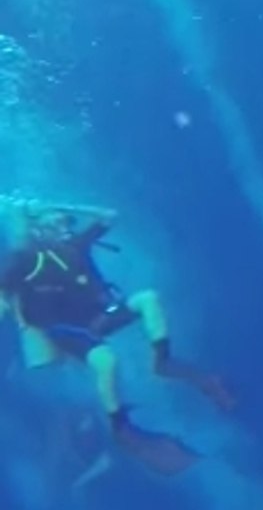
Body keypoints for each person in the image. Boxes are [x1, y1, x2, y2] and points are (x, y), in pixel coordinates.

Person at [0, 199, 233, 476]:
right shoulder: (26, 256)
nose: (65, 228)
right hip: (64, 328)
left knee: (148, 298)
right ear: (40, 230)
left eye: (67, 223)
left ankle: (163, 362)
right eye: (58, 224)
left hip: (98, 317)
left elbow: (110, 215)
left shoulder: (76, 245)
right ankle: (120, 428)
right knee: (106, 360)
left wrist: (64, 207)